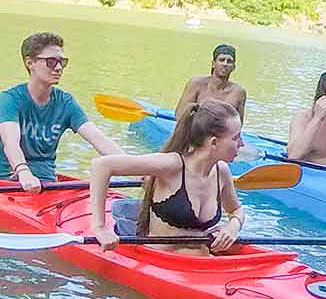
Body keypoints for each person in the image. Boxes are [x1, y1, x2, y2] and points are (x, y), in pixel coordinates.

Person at [87, 101, 245, 252]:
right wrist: (100, 228)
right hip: (160, 262)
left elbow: (236, 210)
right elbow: (101, 166)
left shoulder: (221, 171)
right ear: (214, 142)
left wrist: (232, 226)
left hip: (199, 261)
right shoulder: (172, 165)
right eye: (236, 137)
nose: (242, 144)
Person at [0, 31, 121, 192]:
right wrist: (23, 171)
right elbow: (10, 144)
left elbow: (98, 138)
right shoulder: (9, 99)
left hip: (48, 184)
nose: (59, 67)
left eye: (62, 62)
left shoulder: (66, 102)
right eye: (51, 61)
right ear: (30, 63)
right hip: (9, 183)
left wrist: (139, 169)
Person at [173, 42, 246, 121]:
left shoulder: (239, 92)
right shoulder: (196, 83)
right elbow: (179, 115)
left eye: (229, 61)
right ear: (213, 64)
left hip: (221, 131)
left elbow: (238, 124)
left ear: (233, 67)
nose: (225, 64)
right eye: (221, 60)